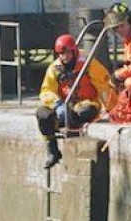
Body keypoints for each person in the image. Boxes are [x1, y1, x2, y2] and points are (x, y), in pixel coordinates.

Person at [37, 33, 117, 169]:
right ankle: (53, 151)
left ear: (74, 51)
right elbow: (46, 91)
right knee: (43, 115)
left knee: (85, 112)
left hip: (86, 104)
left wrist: (112, 109)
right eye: (61, 54)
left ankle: (76, 143)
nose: (64, 57)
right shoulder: (54, 69)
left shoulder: (89, 64)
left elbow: (104, 87)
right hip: (62, 107)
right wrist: (57, 104)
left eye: (67, 53)